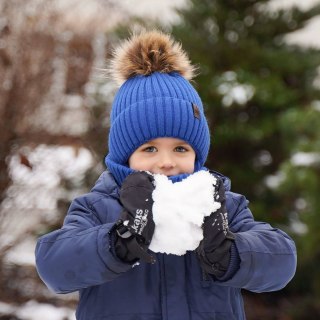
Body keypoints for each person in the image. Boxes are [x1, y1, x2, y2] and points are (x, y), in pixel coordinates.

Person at [35, 30, 297, 320]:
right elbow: (54, 265)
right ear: (126, 155)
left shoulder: (222, 207)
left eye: (181, 148)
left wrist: (231, 253)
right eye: (149, 149)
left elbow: (282, 261)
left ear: (197, 154)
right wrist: (116, 243)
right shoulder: (100, 207)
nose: (166, 162)